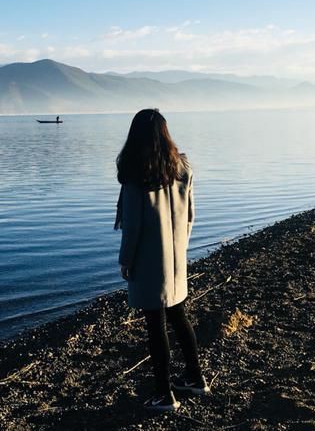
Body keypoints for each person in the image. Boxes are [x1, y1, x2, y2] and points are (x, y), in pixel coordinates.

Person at [114, 108, 210, 411]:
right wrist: (180, 248)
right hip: (176, 257)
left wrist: (125, 260)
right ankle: (195, 378)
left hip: (147, 259)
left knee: (155, 324)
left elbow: (133, 225)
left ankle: (163, 393)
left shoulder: (135, 172)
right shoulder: (182, 167)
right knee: (178, 316)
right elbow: (191, 216)